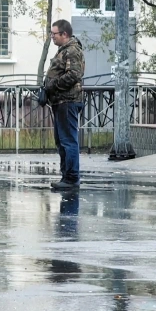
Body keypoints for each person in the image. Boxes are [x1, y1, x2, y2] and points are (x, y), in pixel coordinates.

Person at [45, 19, 85, 190]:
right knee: (62, 141)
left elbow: (74, 75)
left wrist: (52, 86)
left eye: (54, 34)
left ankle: (71, 178)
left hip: (68, 101)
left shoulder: (72, 51)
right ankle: (66, 176)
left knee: (68, 141)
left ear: (64, 34)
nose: (52, 37)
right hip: (61, 101)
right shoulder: (64, 51)